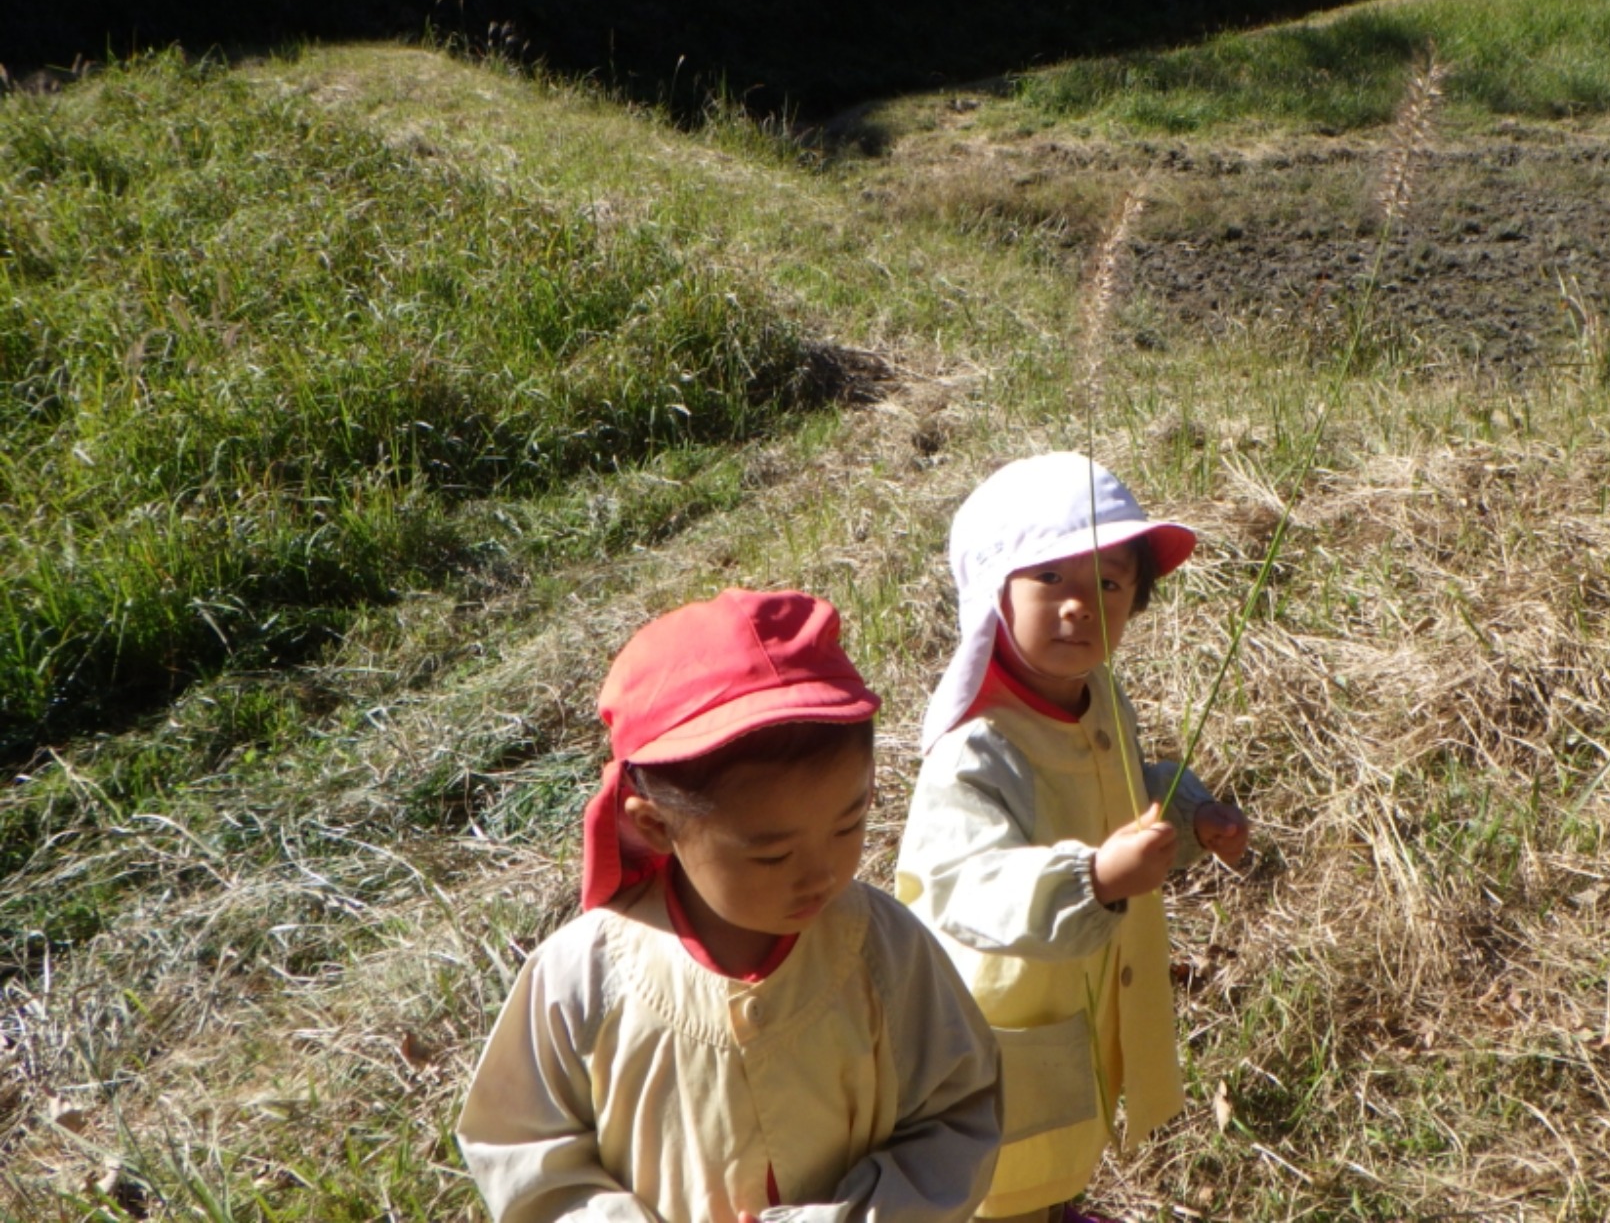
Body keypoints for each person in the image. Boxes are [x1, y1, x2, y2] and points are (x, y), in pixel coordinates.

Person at [459, 589, 1003, 1223]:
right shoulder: (583, 978)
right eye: (771, 856)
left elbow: (960, 1111)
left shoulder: (883, 947)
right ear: (657, 826)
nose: (823, 873)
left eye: (850, 824)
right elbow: (524, 1155)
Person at [895, 453, 1252, 1223]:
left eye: (1109, 584)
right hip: (998, 1024)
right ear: (996, 594)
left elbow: (1116, 793)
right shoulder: (976, 749)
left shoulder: (1100, 701)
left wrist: (1187, 813)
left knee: (1062, 1147)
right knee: (999, 1181)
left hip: (1076, 1004)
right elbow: (963, 881)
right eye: (1049, 579)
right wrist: (1089, 880)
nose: (1080, 607)